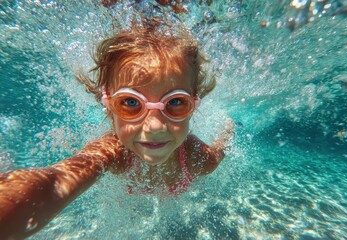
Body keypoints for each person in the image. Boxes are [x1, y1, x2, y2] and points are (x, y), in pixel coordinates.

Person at [0, 21, 234, 239]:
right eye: (131, 102)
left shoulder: (198, 158)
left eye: (175, 102)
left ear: (193, 105)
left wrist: (227, 133)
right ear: (109, 105)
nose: (154, 126)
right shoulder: (112, 151)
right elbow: (55, 182)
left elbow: (220, 150)